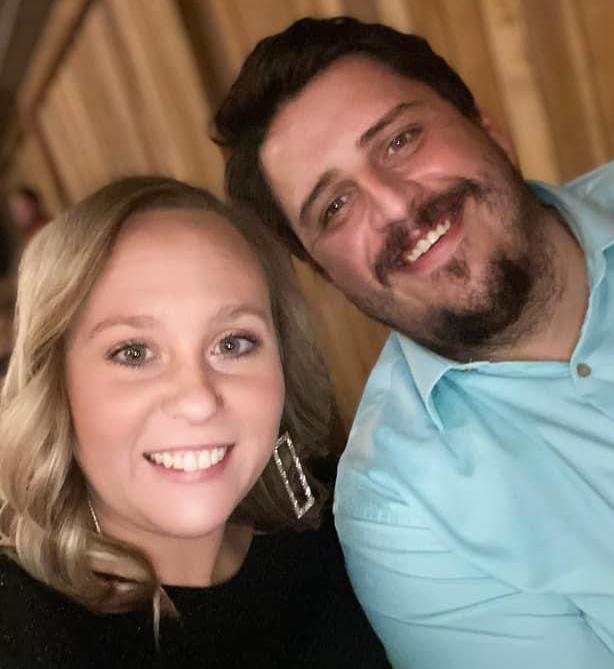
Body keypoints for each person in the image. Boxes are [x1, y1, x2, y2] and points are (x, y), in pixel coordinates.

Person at [213, 16, 614, 669]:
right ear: (328, 276)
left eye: (399, 141)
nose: (396, 207)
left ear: (485, 126)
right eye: (335, 207)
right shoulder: (403, 516)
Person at [0, 176, 390, 668]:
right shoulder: (20, 623)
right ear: (55, 387)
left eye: (232, 343)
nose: (198, 400)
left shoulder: (345, 520)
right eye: (134, 352)